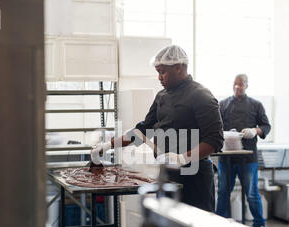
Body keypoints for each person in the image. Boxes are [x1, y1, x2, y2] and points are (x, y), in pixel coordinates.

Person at [90, 45, 223, 212]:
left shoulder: (201, 96)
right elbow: (142, 131)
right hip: (167, 174)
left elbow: (215, 140)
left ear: (178, 68)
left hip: (194, 177)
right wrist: (107, 146)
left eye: (162, 72)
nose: (159, 77)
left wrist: (182, 158)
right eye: (158, 72)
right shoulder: (162, 96)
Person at [216, 74, 271, 227]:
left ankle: (259, 225)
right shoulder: (223, 104)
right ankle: (219, 224)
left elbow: (266, 126)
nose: (237, 87)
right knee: (223, 192)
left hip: (248, 158)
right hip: (226, 157)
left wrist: (255, 130)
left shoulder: (256, 105)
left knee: (252, 193)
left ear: (247, 85)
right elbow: (215, 127)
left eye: (241, 84)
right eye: (235, 83)